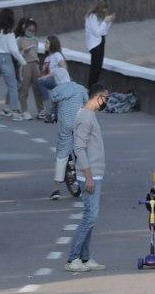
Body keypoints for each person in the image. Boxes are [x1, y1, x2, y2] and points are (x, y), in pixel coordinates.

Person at [66, 83, 110, 273]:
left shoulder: (89, 115)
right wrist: (89, 177)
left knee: (91, 217)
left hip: (95, 173)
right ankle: (73, 258)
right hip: (90, 175)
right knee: (89, 217)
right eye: (105, 98)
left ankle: (84, 257)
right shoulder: (85, 116)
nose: (106, 102)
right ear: (97, 97)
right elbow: (79, 148)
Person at [48, 78, 88, 199]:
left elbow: (51, 106)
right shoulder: (81, 88)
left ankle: (56, 189)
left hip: (65, 124)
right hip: (80, 123)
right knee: (81, 150)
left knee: (62, 154)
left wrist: (51, 115)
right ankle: (86, 181)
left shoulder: (57, 90)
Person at [14, 18, 47, 121]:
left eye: (33, 31)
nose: (31, 33)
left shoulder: (35, 40)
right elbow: (16, 53)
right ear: (25, 29)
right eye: (29, 30)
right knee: (25, 88)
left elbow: (35, 52)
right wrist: (24, 52)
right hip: (25, 64)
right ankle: (24, 110)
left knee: (37, 88)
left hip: (35, 64)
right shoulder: (20, 40)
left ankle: (41, 110)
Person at [84, 0, 115, 88]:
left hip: (101, 42)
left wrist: (109, 22)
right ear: (99, 8)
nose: (105, 10)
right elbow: (97, 33)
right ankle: (90, 89)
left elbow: (103, 32)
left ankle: (93, 88)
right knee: (95, 69)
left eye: (106, 8)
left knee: (98, 68)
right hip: (94, 45)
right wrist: (105, 21)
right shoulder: (92, 17)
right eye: (104, 8)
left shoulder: (99, 17)